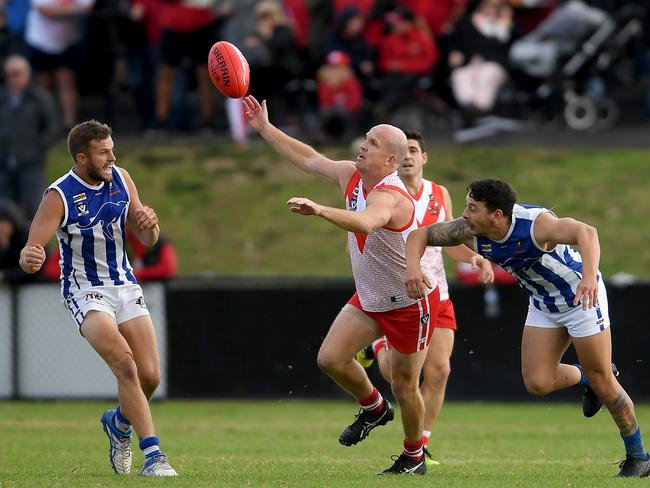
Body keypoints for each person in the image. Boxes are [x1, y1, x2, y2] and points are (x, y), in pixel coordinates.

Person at [243, 95, 487, 475]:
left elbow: (367, 222)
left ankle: (413, 456)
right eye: (366, 138)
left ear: (390, 161)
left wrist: (321, 210)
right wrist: (264, 128)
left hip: (410, 302)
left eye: (372, 142)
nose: (362, 144)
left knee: (406, 385)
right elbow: (308, 158)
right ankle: (374, 407)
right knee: (330, 359)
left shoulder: (392, 195)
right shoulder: (351, 174)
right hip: (372, 297)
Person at [404, 178, 650, 478]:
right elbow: (419, 235)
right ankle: (589, 376)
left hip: (581, 298)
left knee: (605, 384)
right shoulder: (468, 231)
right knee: (538, 383)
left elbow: (587, 232)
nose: (464, 214)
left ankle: (639, 457)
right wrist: (413, 270)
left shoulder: (536, 225)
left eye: (472, 208)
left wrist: (588, 276)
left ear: (497, 215)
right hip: (543, 303)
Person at [18, 120, 177, 477]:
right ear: (82, 157)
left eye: (112, 149)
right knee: (125, 363)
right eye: (103, 152)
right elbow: (31, 250)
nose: (112, 157)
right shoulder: (58, 195)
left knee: (150, 376)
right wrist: (29, 257)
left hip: (124, 284)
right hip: (85, 290)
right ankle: (154, 455)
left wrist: (150, 223)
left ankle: (118, 424)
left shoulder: (121, 177)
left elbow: (147, 237)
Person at [355, 129, 493, 465]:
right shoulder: (386, 194)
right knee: (399, 377)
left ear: (424, 157)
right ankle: (377, 348)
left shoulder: (439, 193)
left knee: (440, 370)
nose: (408, 156)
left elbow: (450, 240)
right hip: (400, 294)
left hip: (436, 293)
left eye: (414, 150)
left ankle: (423, 442)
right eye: (403, 151)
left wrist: (475, 257)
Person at [0, 54, 60, 220]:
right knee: (5, 211)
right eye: (9, 74)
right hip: (4, 164)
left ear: (27, 74)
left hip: (31, 164)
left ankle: (37, 245)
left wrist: (37, 147)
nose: (13, 78)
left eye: (17, 73)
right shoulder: (3, 98)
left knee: (34, 209)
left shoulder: (39, 97)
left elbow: (53, 126)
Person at [0, 199, 40, 284]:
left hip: (34, 285)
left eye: (3, 223)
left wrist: (5, 275)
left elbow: (35, 267)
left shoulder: (26, 235)